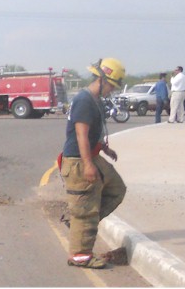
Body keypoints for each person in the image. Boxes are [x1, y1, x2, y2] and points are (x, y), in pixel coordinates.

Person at [59, 58, 127, 269]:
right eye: (111, 86)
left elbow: (92, 134)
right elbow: (81, 134)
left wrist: (104, 148)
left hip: (91, 155)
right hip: (79, 161)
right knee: (86, 211)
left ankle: (79, 224)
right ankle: (80, 254)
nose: (111, 91)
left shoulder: (95, 99)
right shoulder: (84, 100)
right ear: (102, 79)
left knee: (116, 189)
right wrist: (88, 165)